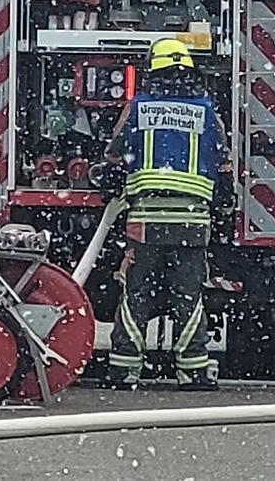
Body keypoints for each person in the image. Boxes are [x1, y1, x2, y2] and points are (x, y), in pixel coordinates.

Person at [102, 38, 226, 391]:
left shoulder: (138, 109)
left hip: (146, 221)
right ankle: (194, 372)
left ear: (151, 72)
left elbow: (114, 155)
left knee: (136, 294)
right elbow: (222, 158)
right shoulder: (205, 112)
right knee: (188, 296)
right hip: (192, 221)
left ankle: (124, 370)